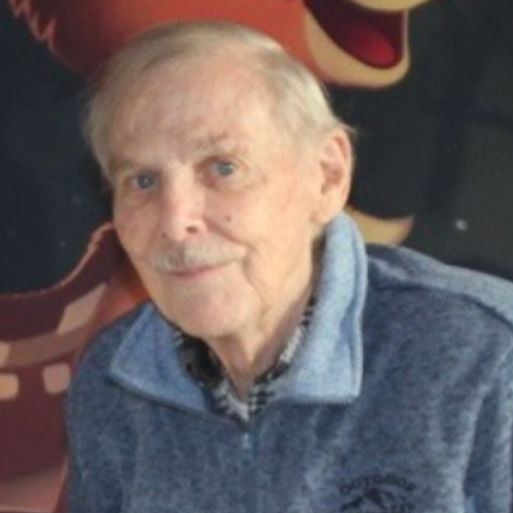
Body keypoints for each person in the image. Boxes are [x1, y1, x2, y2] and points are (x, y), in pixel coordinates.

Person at [67, 21, 513, 513]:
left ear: (327, 177)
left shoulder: (486, 355)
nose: (175, 222)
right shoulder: (113, 381)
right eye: (143, 181)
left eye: (223, 167)